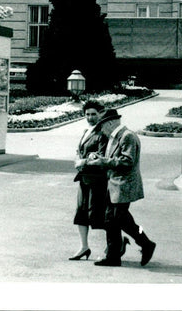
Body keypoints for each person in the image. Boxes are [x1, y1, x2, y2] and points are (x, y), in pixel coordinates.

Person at [88, 109, 156, 267]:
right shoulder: (115, 137)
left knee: (119, 219)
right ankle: (115, 255)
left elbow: (127, 161)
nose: (102, 130)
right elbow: (113, 158)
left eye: (102, 126)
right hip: (115, 184)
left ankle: (145, 244)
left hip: (125, 184)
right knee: (113, 219)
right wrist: (101, 159)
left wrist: (103, 161)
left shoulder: (127, 136)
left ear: (110, 123)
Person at [70, 101, 110, 261]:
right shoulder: (87, 131)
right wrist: (78, 158)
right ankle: (84, 247)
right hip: (84, 179)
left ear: (100, 114)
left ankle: (115, 243)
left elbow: (100, 155)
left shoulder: (102, 134)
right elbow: (80, 150)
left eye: (94, 114)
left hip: (97, 180)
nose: (90, 117)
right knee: (81, 212)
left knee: (98, 213)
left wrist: (84, 161)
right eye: (87, 114)